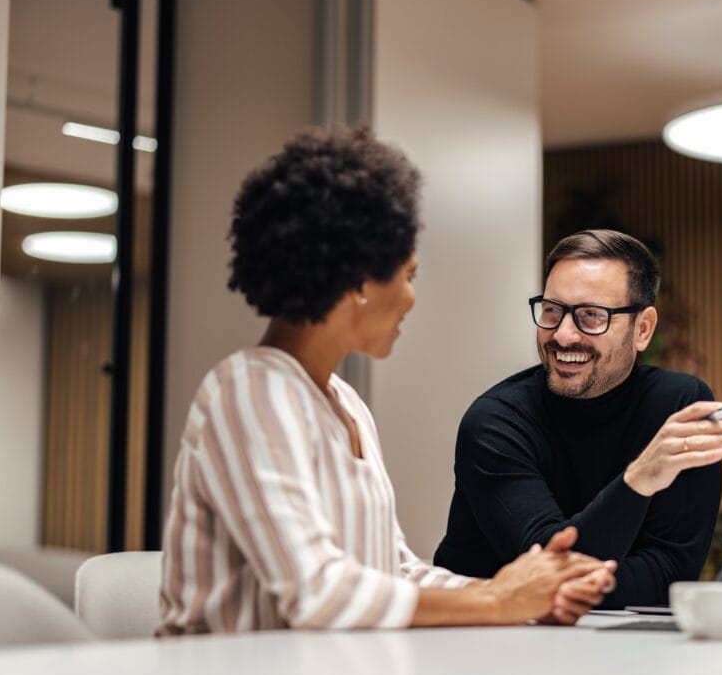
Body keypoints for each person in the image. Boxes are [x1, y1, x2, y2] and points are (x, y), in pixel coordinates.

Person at [158, 128, 616, 634]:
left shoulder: (346, 403)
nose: (411, 298)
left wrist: (525, 592)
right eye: (408, 274)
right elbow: (318, 595)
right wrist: (497, 601)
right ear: (358, 279)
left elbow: (394, 571)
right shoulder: (247, 392)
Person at [433, 229, 722, 608]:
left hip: (616, 645)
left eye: (591, 316)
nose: (563, 335)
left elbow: (672, 576)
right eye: (551, 311)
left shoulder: (679, 405)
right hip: (487, 645)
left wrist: (578, 585)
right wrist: (638, 480)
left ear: (642, 329)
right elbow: (551, 570)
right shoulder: (495, 422)